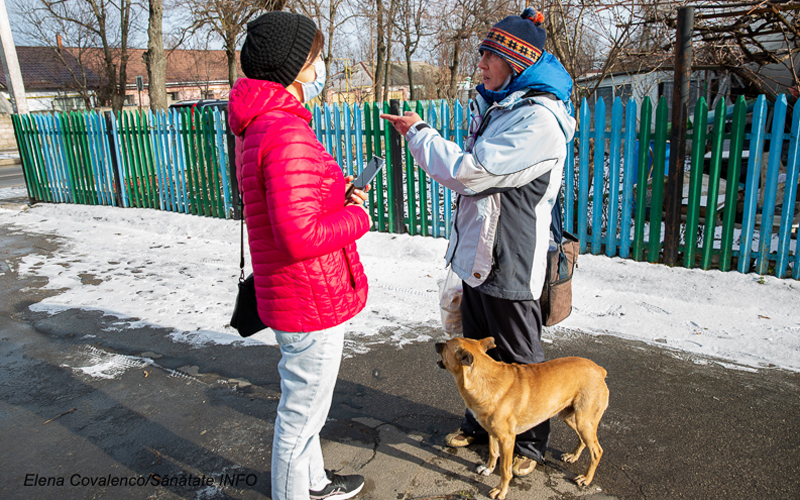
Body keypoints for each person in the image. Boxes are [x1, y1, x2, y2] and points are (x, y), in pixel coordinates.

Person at [382, 7, 576, 477]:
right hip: (478, 255)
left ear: (517, 63)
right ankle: (482, 421)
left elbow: (473, 172)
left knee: (520, 355)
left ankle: (528, 444)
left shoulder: (540, 120)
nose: (481, 65)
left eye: (489, 56)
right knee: (476, 349)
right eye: (483, 55)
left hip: (511, 257)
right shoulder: (501, 104)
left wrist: (420, 135)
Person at [228, 11, 372, 500]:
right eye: (314, 54)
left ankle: (314, 484)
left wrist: (337, 192)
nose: (320, 62)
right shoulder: (285, 132)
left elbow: (286, 207)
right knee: (301, 414)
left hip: (297, 292)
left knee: (307, 407)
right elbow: (299, 234)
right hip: (308, 296)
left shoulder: (262, 125)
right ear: (293, 65)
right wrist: (358, 217)